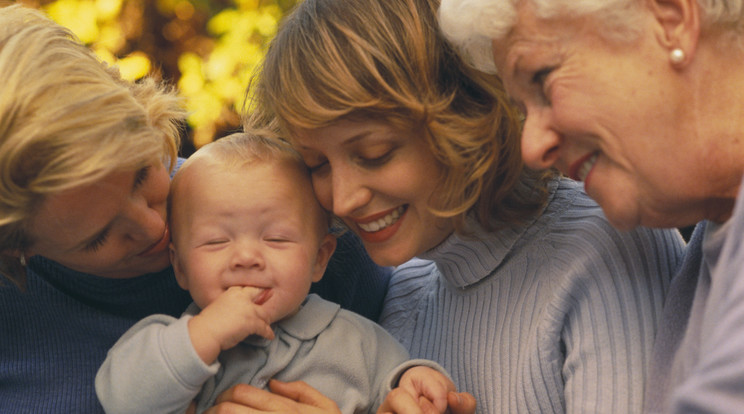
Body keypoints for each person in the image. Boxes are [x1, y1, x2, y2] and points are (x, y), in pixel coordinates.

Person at [241, 0, 688, 412]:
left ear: (464, 115)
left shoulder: (609, 251)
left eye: (375, 153)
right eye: (318, 164)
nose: (343, 199)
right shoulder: (404, 292)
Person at [0, 5, 390, 413]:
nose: (154, 227)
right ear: (14, 249)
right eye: (98, 237)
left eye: (141, 174)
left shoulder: (296, 216)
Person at [438, 0, 744, 412]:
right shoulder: (712, 245)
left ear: (671, 21)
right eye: (523, 109)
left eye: (543, 79)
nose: (532, 147)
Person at [95, 132, 455, 414]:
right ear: (179, 265)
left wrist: (416, 381)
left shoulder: (356, 341)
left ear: (320, 258)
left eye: (277, 238)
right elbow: (124, 401)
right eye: (217, 241)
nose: (247, 257)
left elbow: (397, 388)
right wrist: (205, 334)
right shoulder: (167, 345)